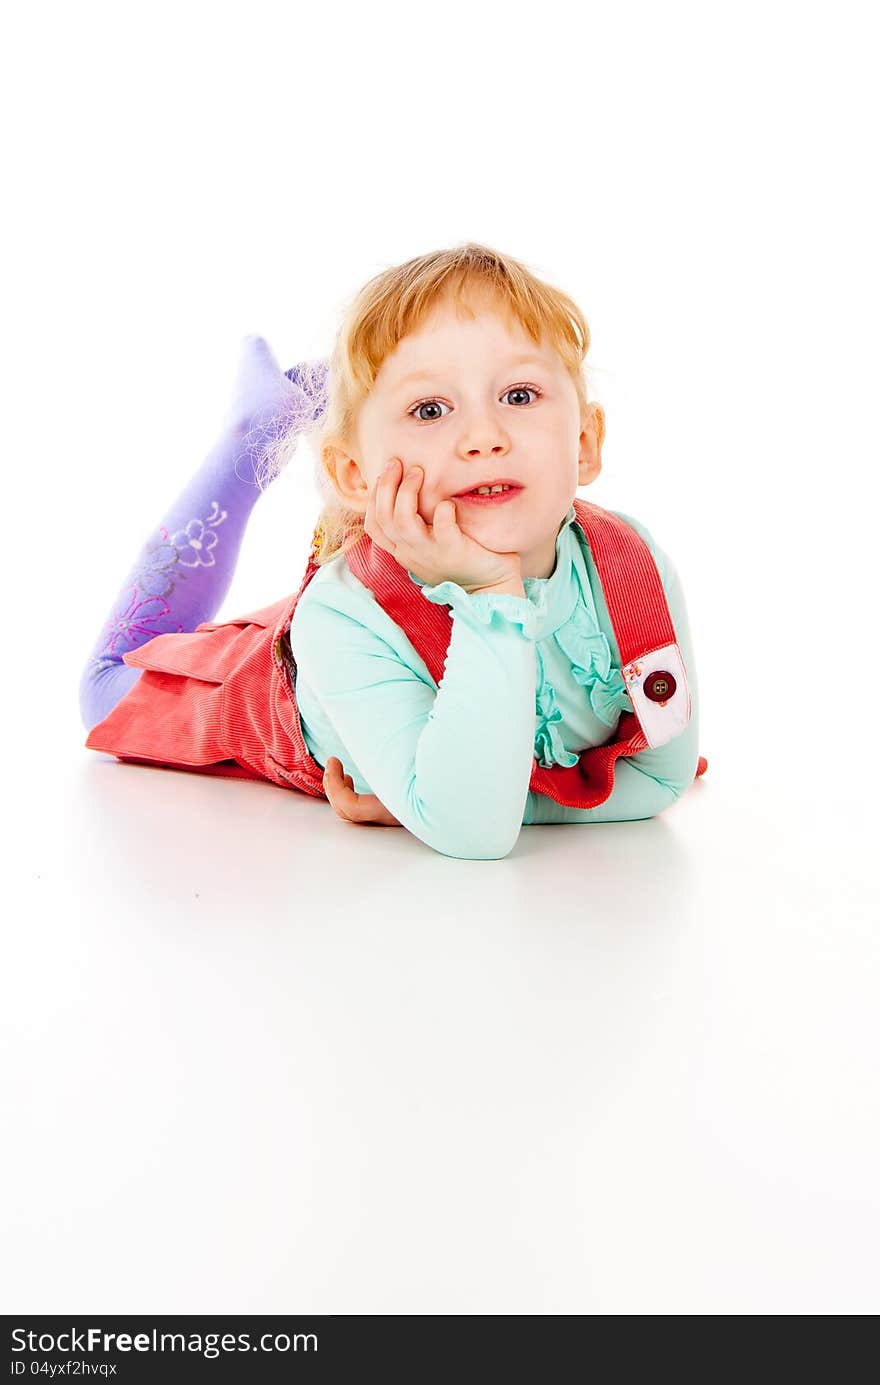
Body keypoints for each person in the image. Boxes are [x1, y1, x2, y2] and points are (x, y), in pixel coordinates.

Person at [81, 242, 707, 860]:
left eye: (518, 396)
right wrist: (491, 593)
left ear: (586, 443)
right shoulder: (341, 617)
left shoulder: (632, 568)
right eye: (430, 409)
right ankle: (255, 438)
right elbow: (473, 834)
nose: (484, 437)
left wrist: (457, 802)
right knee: (104, 689)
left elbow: (659, 778)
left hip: (378, 589)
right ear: (355, 475)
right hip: (282, 683)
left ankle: (339, 411)